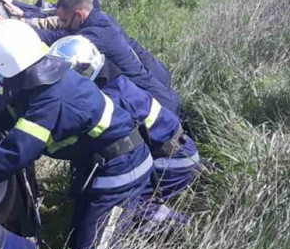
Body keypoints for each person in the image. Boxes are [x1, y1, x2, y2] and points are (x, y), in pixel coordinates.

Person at [0, 19, 153, 249]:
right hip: (100, 161)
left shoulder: (51, 101)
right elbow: (9, 112)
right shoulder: (37, 79)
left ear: (8, 66)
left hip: (123, 167)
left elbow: (17, 150)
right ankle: (142, 213)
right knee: (80, 229)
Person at [47, 36, 201, 200]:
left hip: (173, 162)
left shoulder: (112, 100)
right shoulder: (114, 82)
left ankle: (166, 219)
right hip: (176, 152)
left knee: (117, 203)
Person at [0, 0, 176, 101]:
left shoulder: (96, 36)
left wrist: (14, 27)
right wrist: (20, 9)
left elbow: (56, 37)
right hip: (159, 87)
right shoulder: (99, 20)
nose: (63, 24)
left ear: (79, 16)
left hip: (157, 101)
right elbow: (56, 24)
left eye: (66, 20)